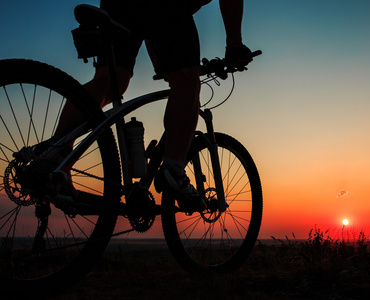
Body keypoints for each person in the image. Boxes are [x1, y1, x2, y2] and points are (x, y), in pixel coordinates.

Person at [53, 0, 254, 211]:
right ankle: (174, 171)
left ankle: (57, 152)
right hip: (163, 6)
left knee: (113, 82)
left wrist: (163, 65)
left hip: (120, 6)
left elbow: (150, 22)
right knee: (186, 80)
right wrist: (234, 46)